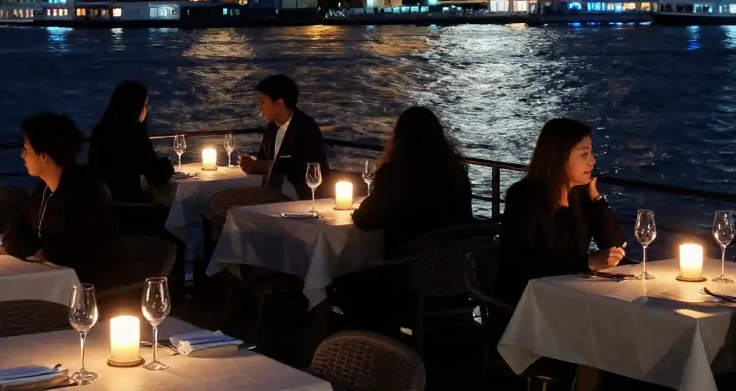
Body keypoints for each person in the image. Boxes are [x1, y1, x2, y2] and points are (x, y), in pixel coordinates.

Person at [497, 118, 626, 302]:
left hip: (571, 294)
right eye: (584, 154)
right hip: (528, 301)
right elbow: (521, 265)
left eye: (591, 153)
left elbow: (616, 244)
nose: (592, 160)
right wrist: (588, 262)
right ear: (560, 157)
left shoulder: (581, 196)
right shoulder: (523, 196)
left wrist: (597, 199)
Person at [3, 112, 132, 291]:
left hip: (90, 290)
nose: (22, 155)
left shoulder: (87, 192)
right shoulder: (45, 189)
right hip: (52, 279)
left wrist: (35, 248)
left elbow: (72, 253)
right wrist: (35, 248)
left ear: (43, 157)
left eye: (26, 148)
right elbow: (13, 232)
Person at [352, 106, 474, 254]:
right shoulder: (455, 171)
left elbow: (365, 221)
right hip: (454, 263)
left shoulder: (393, 174)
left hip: (407, 267)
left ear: (399, 138)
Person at [239, 74, 329, 199]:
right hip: (272, 196)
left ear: (279, 103)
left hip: (301, 199)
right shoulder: (272, 127)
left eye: (263, 101)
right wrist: (251, 164)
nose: (259, 107)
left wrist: (268, 166)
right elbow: (264, 158)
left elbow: (309, 169)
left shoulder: (306, 127)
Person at [87, 80, 174, 204]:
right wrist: (168, 165)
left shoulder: (100, 130)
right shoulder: (135, 132)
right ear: (138, 106)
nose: (146, 109)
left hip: (102, 204)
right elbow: (156, 176)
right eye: (145, 104)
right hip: (131, 207)